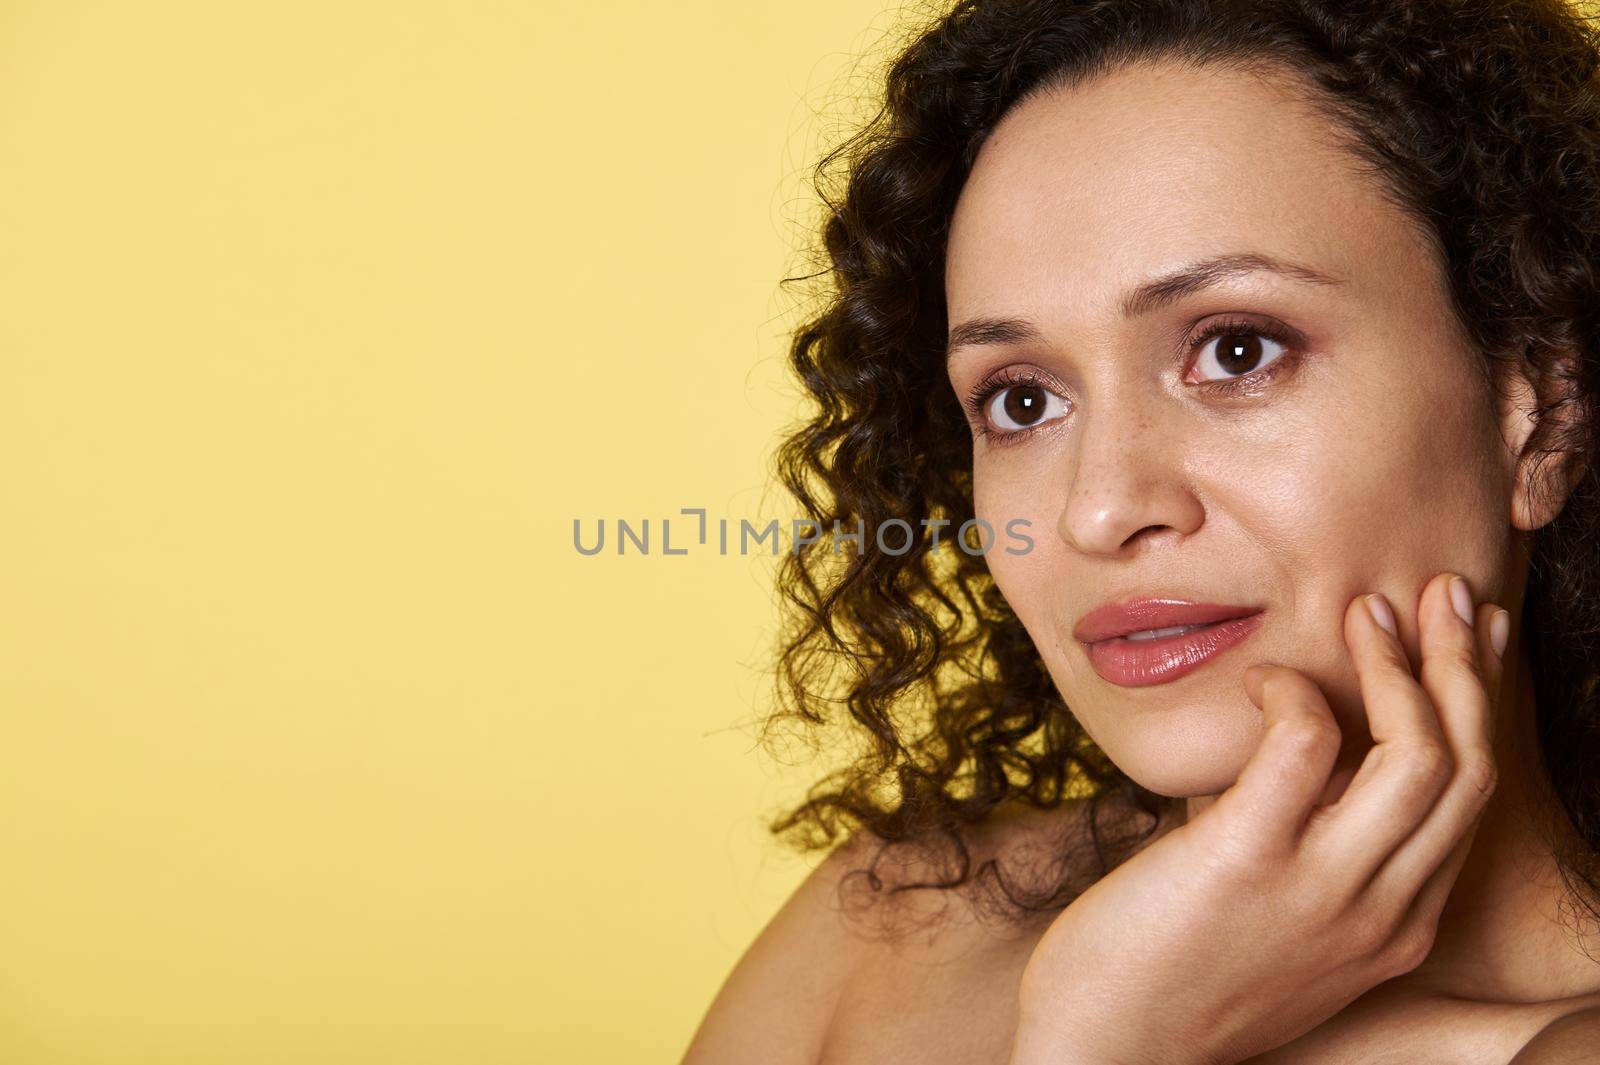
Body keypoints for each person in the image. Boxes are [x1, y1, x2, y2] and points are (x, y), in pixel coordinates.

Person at [682, 0, 1600, 1060]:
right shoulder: (893, 922)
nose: (1099, 507)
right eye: (1023, 400)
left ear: (1544, 411)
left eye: (1238, 352)